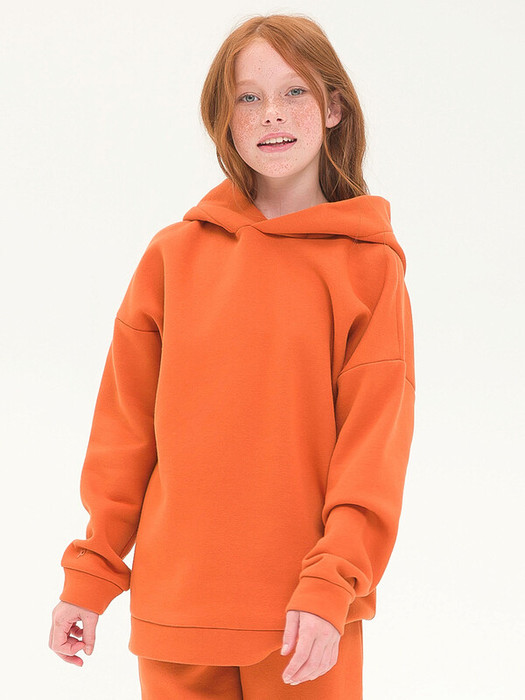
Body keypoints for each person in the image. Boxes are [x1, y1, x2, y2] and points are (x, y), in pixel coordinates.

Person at [49, 12, 416, 699]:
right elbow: (124, 433)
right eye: (248, 97)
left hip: (305, 621)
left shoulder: (368, 268)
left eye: (295, 91)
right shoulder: (172, 256)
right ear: (224, 118)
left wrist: (333, 581)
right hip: (176, 613)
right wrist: (92, 573)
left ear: (334, 107)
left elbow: (372, 450)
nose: (270, 113)